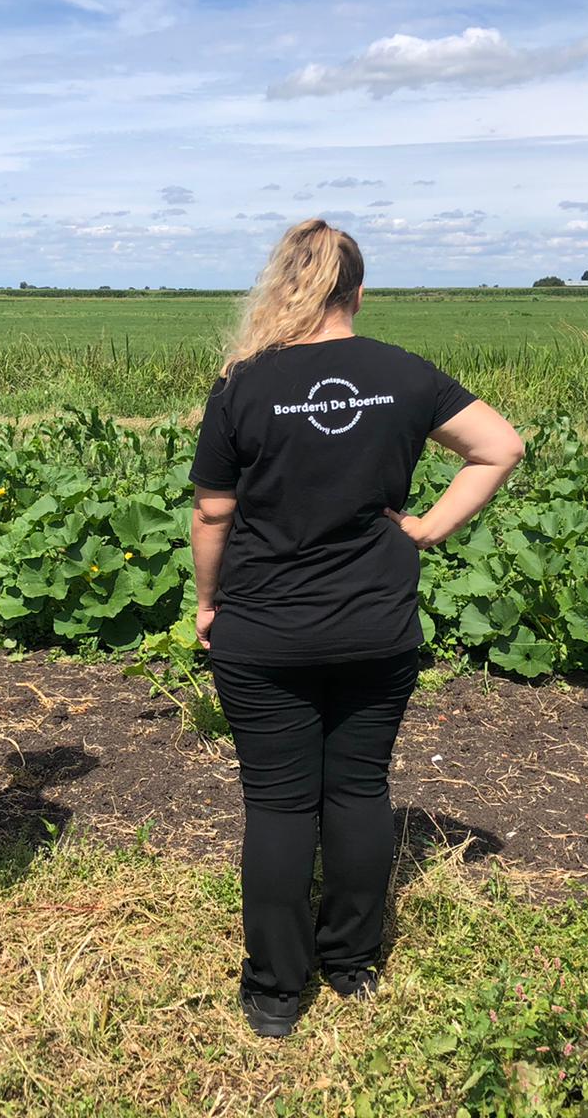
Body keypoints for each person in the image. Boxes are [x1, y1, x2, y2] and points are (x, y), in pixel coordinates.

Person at [188, 218, 524, 1037]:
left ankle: (274, 991)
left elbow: (211, 510)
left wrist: (207, 602)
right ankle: (353, 964)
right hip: (376, 623)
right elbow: (500, 446)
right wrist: (430, 526)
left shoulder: (244, 383)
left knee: (277, 804)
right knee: (359, 790)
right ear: (358, 292)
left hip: (264, 629)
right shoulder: (400, 373)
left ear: (284, 287)